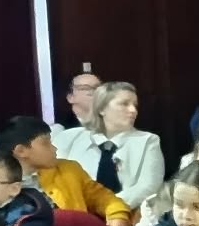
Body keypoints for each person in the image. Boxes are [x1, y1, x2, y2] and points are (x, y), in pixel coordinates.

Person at [3, 116, 131, 226]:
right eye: (46, 143)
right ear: (21, 151)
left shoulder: (68, 170)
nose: (54, 148)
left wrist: (117, 214)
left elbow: (101, 196)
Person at [56, 81, 165, 210]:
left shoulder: (148, 141)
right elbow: (53, 178)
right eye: (124, 104)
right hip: (76, 211)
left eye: (135, 105)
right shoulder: (69, 138)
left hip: (125, 212)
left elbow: (148, 186)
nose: (133, 110)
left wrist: (108, 206)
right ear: (101, 109)